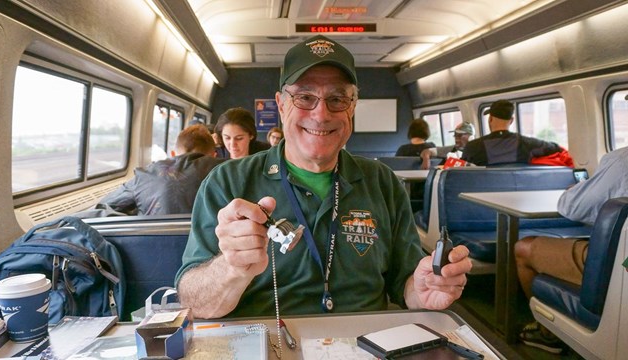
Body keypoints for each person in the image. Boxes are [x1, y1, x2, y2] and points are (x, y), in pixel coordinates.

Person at [175, 34, 472, 319]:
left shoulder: (383, 182)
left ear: (352, 106)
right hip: (267, 340)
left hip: (365, 344)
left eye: (337, 99)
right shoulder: (228, 182)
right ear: (281, 104)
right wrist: (230, 269)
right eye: (304, 97)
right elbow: (192, 300)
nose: (320, 114)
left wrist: (422, 291)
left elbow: (405, 283)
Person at [514, 146, 628, 353]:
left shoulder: (622, 160)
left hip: (620, 268)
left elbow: (573, 207)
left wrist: (574, 191)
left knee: (524, 248)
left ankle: (546, 333)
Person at [95, 125, 225, 216]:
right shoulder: (226, 171)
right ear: (214, 155)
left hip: (153, 250)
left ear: (173, 154)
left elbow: (104, 206)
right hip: (211, 252)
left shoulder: (145, 175)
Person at [461, 100, 562, 166]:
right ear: (512, 120)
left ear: (490, 119)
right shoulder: (527, 143)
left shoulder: (472, 147)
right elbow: (555, 148)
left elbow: (458, 171)